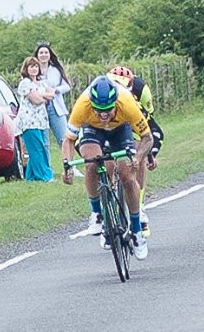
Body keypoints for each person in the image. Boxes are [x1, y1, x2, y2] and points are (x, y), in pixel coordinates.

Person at [62, 76, 155, 259]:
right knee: (91, 163)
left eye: (108, 110)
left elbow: (147, 138)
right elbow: (69, 140)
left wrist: (138, 157)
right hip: (92, 129)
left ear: (116, 103)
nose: (103, 115)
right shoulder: (83, 104)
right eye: (98, 110)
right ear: (91, 104)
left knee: (127, 177)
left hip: (120, 129)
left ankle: (137, 230)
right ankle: (97, 213)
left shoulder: (126, 102)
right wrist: (67, 166)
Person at [107, 66, 162, 237]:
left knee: (140, 155)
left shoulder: (141, 89)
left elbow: (147, 123)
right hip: (109, 121)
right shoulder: (103, 89)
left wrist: (149, 154)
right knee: (105, 157)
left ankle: (140, 204)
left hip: (135, 119)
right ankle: (109, 196)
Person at [35, 42, 82, 178]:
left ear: (50, 55)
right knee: (44, 142)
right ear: (37, 55)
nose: (43, 55)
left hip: (56, 108)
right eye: (41, 53)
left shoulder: (55, 70)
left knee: (64, 138)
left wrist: (55, 90)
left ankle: (71, 166)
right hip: (40, 109)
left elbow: (67, 86)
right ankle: (46, 170)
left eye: (46, 52)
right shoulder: (33, 69)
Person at [14, 57, 54, 182]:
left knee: (40, 147)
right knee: (37, 149)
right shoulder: (25, 83)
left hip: (41, 120)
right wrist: (42, 96)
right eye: (31, 66)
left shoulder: (42, 83)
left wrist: (40, 94)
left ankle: (30, 177)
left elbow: (51, 94)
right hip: (29, 121)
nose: (34, 69)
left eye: (36, 66)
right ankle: (45, 176)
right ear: (26, 69)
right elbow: (36, 100)